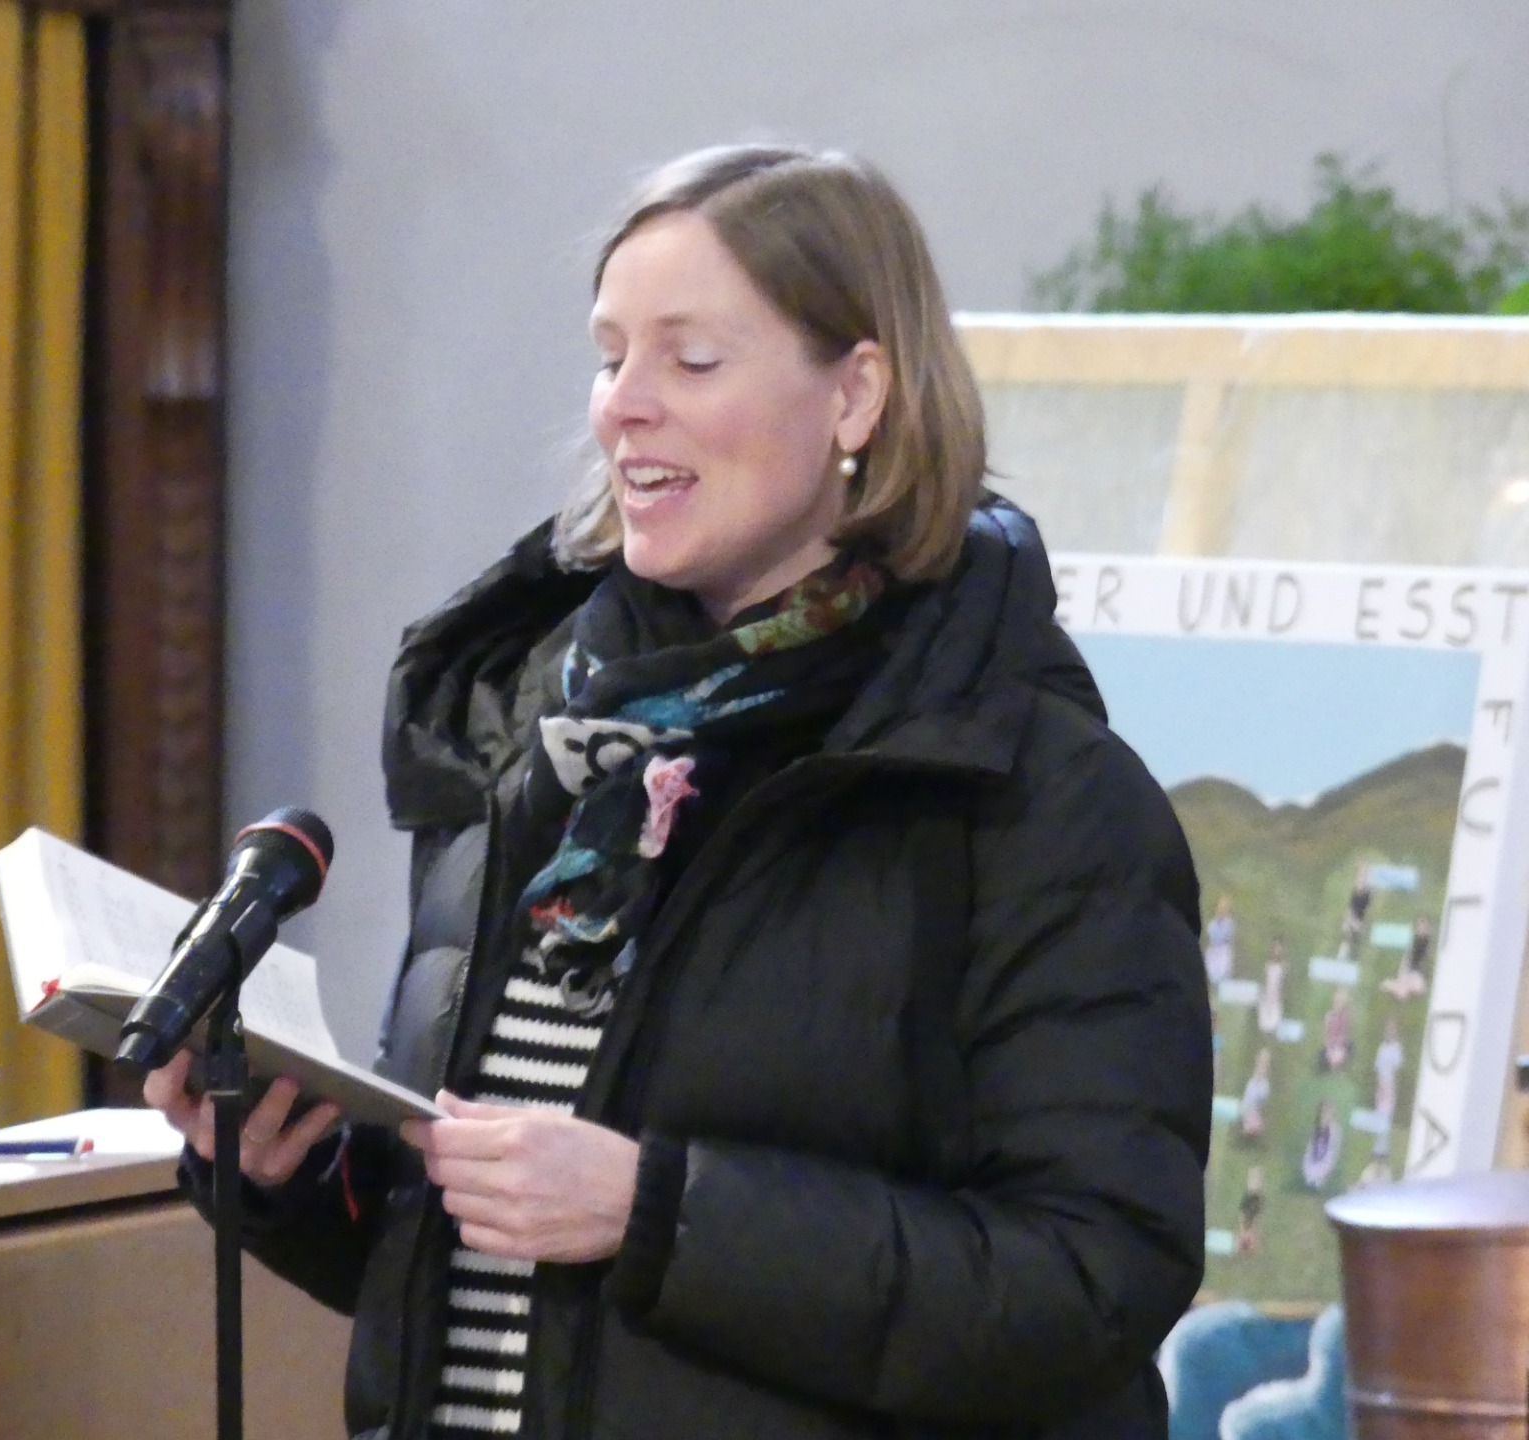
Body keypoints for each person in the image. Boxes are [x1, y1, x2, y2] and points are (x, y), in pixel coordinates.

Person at [145, 143, 1211, 1440]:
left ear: (856, 395)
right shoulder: (533, 751)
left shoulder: (1034, 798)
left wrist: (657, 1214)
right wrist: (295, 1172)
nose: (623, 409)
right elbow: (473, 1274)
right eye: (610, 358)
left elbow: (1091, 1282)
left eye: (691, 361)